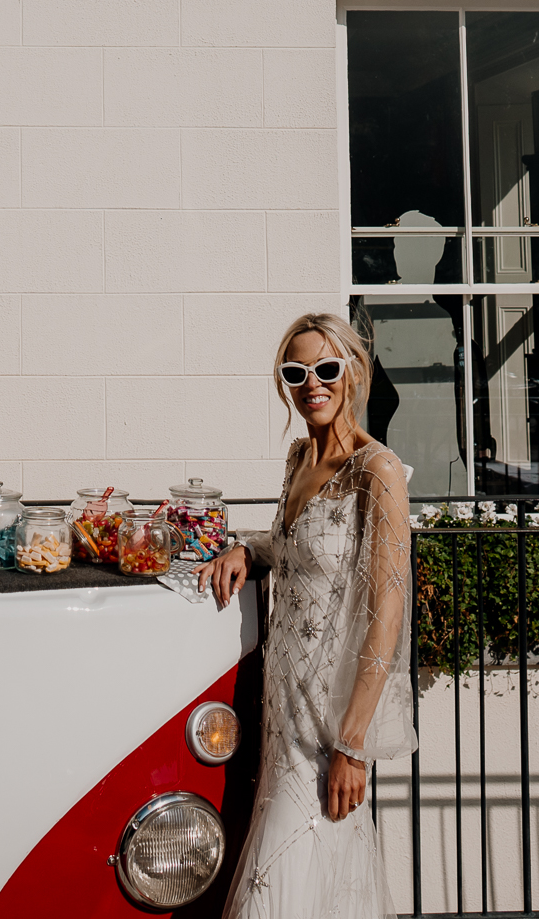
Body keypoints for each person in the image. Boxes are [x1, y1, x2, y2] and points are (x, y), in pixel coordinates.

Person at [197, 312, 416, 918]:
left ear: (352, 372)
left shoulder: (379, 473)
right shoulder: (299, 459)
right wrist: (246, 548)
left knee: (287, 870)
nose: (311, 383)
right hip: (281, 707)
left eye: (325, 368)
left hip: (330, 721)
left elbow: (385, 618)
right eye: (297, 371)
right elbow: (294, 547)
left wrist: (353, 746)